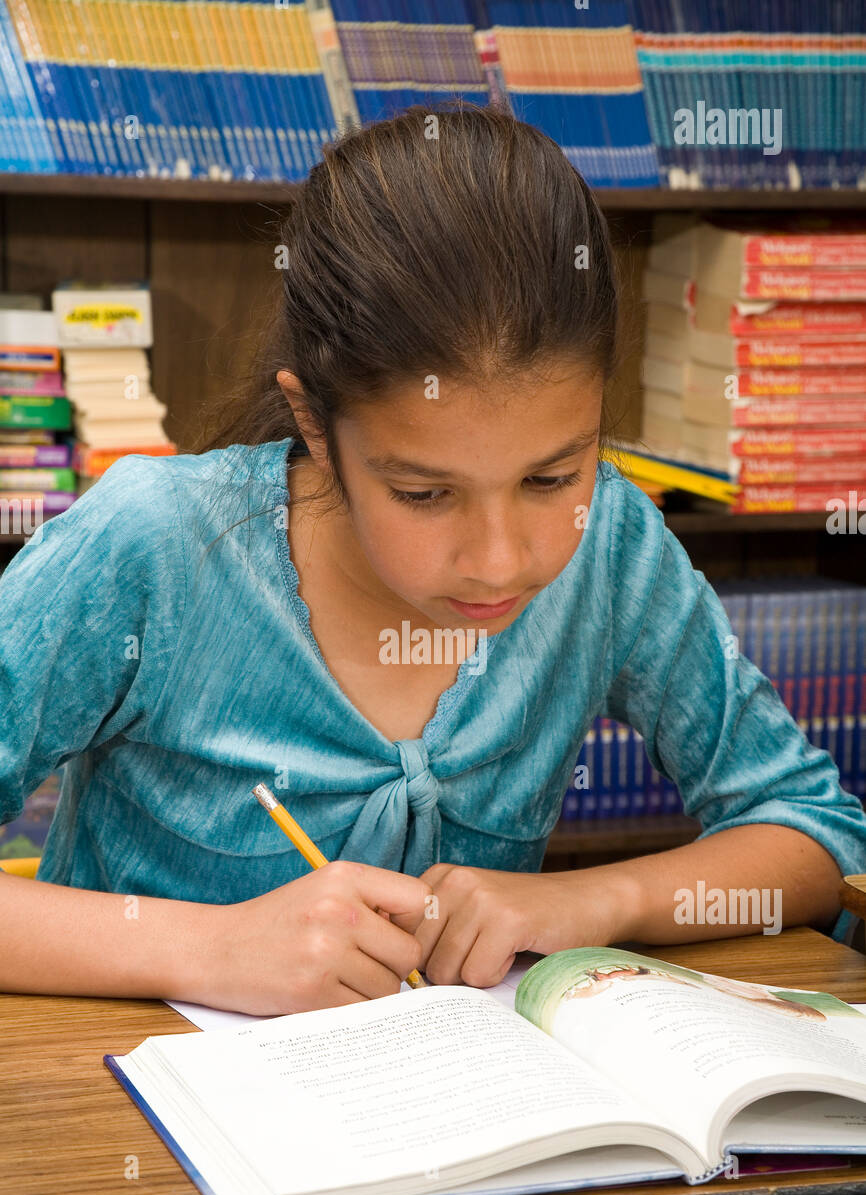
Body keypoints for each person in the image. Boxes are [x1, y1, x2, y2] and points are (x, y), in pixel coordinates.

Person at [1, 104, 865, 1017]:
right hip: (132, 1134)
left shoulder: (609, 542)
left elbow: (815, 836)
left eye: (550, 476)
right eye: (423, 494)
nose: (500, 562)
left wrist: (593, 899)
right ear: (314, 428)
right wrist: (206, 947)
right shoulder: (151, 544)